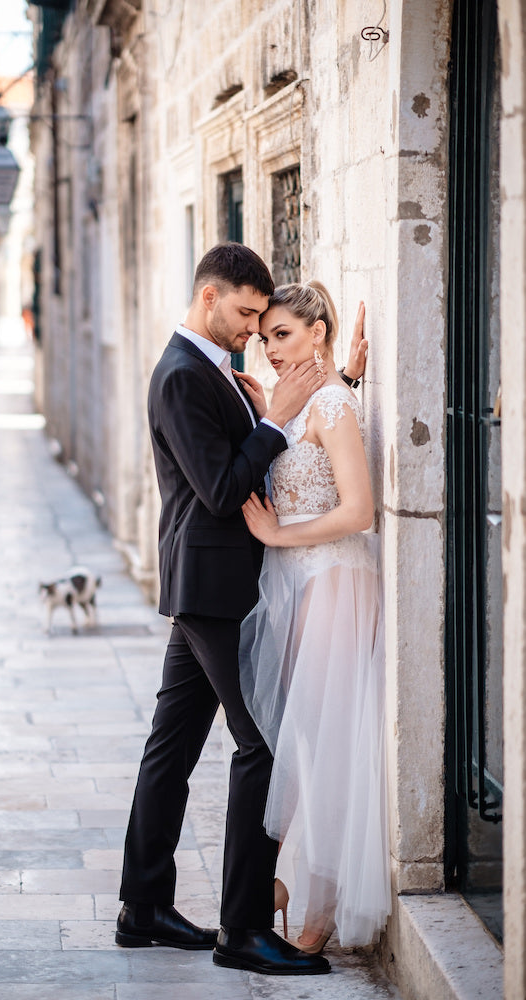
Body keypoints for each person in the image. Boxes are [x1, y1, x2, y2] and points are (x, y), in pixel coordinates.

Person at [116, 244, 365, 976]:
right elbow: (223, 490)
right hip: (215, 587)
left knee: (172, 743)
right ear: (209, 298)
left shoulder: (211, 371)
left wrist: (333, 385)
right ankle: (244, 929)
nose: (253, 329)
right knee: (262, 747)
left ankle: (143, 907)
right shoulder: (181, 376)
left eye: (267, 320)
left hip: (208, 584)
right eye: (247, 314)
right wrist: (278, 416)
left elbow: (295, 455)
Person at [237, 281, 390, 956]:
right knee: (290, 737)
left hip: (331, 578)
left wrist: (278, 538)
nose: (270, 349)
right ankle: (274, 877)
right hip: (294, 580)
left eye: (283, 335)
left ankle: (320, 912)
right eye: (266, 336)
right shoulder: (304, 401)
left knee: (326, 744)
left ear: (318, 332)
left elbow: (357, 511)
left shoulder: (329, 404)